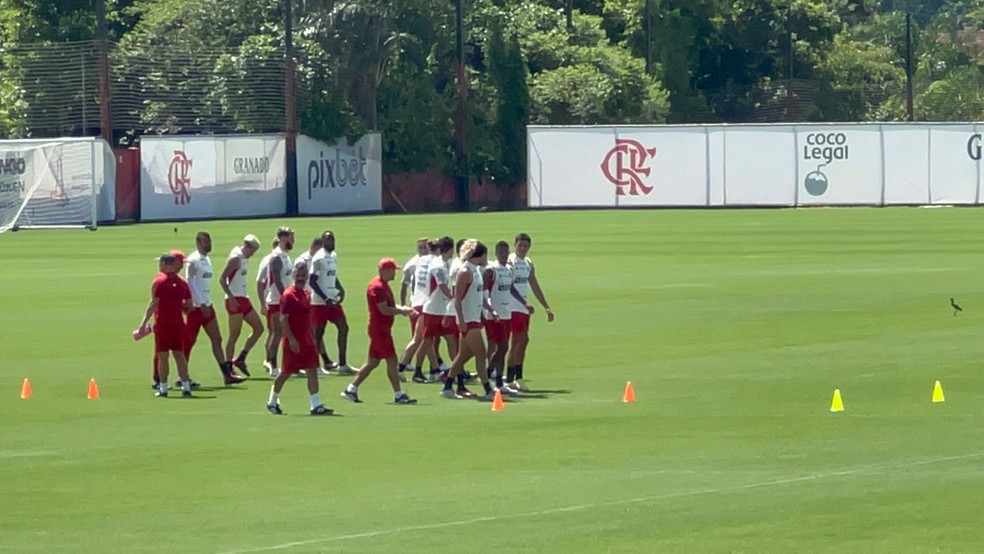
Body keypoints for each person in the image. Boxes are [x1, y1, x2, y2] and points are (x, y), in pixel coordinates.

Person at [340, 258, 417, 405]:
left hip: (381, 329)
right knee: (392, 360)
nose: (394, 273)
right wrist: (401, 312)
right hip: (379, 330)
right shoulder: (377, 288)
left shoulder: (383, 285)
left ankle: (351, 389)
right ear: (385, 271)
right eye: (393, 270)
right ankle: (398, 394)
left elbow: (390, 305)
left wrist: (402, 309)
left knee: (373, 362)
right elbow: (384, 309)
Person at [266, 260, 333, 415]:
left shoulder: (306, 294)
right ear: (294, 275)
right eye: (299, 275)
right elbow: (284, 319)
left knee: (312, 370)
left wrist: (313, 338)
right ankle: (272, 400)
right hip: (294, 342)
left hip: (308, 340)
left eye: (304, 275)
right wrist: (291, 339)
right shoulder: (289, 295)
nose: (301, 278)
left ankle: (315, 405)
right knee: (286, 372)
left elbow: (308, 318)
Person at [184, 231, 246, 386]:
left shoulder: (207, 259)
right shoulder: (193, 260)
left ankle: (226, 375)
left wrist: (207, 303)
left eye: (209, 241)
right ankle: (182, 376)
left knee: (217, 339)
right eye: (205, 242)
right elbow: (189, 282)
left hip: (208, 305)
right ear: (198, 242)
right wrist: (201, 302)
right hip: (197, 308)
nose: (209, 245)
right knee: (189, 341)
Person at [441, 241, 495, 400]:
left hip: (475, 317)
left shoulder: (476, 271)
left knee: (463, 355)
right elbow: (457, 299)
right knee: (480, 353)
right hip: (468, 320)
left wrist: (491, 310)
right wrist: (460, 320)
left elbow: (478, 295)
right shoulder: (465, 272)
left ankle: (448, 386)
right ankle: (488, 389)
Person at [140, 253, 194, 398]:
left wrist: (143, 323)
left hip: (163, 323)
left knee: (163, 356)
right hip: (177, 323)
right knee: (179, 355)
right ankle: (186, 386)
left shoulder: (159, 282)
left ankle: (163, 387)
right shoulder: (182, 283)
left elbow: (153, 303)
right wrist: (177, 306)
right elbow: (189, 305)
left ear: (164, 264)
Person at [506, 232, 555, 391]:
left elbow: (534, 285)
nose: (522, 249)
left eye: (525, 246)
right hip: (512, 307)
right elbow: (509, 285)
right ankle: (516, 377)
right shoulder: (510, 261)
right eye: (520, 245)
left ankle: (511, 378)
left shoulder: (528, 263)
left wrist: (546, 306)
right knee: (522, 340)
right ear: (515, 245)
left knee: (517, 343)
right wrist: (524, 303)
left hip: (523, 309)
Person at [484, 240, 531, 395]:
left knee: (502, 348)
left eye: (506, 252)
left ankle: (493, 375)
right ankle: (493, 376)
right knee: (503, 347)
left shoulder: (509, 269)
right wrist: (491, 310)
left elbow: (511, 288)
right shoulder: (491, 270)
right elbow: (484, 293)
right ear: (497, 253)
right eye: (501, 252)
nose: (504, 255)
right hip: (494, 315)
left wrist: (525, 303)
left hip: (506, 313)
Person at [310, 231, 355, 375]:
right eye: (327, 239)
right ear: (323, 241)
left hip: (332, 299)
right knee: (318, 333)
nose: (330, 242)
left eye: (332, 239)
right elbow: (312, 281)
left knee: (344, 327)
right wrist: (324, 298)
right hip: (319, 302)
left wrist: (340, 289)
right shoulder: (318, 258)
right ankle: (315, 366)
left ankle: (342, 364)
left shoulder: (333, 256)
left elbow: (332, 276)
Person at [220, 234, 264, 380]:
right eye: (253, 251)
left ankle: (241, 358)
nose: (253, 254)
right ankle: (228, 367)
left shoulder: (244, 258)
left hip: (244, 298)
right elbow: (222, 279)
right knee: (234, 335)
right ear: (247, 247)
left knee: (259, 328)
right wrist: (231, 297)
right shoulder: (236, 258)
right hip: (235, 300)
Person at [397, 239, 441, 382]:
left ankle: (435, 369)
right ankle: (402, 366)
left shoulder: (419, 261)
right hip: (426, 304)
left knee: (427, 338)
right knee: (419, 339)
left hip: (417, 301)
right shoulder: (436, 262)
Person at [263, 228, 295, 377]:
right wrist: (285, 296)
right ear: (283, 238)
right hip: (277, 300)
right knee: (277, 333)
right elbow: (276, 280)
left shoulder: (285, 256)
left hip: (283, 299)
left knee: (284, 332)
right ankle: (273, 365)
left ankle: (286, 364)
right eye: (291, 237)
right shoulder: (276, 257)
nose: (293, 240)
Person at [256, 237, 279, 373]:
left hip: (275, 299)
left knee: (275, 331)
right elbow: (260, 282)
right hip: (271, 299)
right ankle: (269, 360)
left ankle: (270, 360)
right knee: (273, 331)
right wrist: (262, 303)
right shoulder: (268, 261)